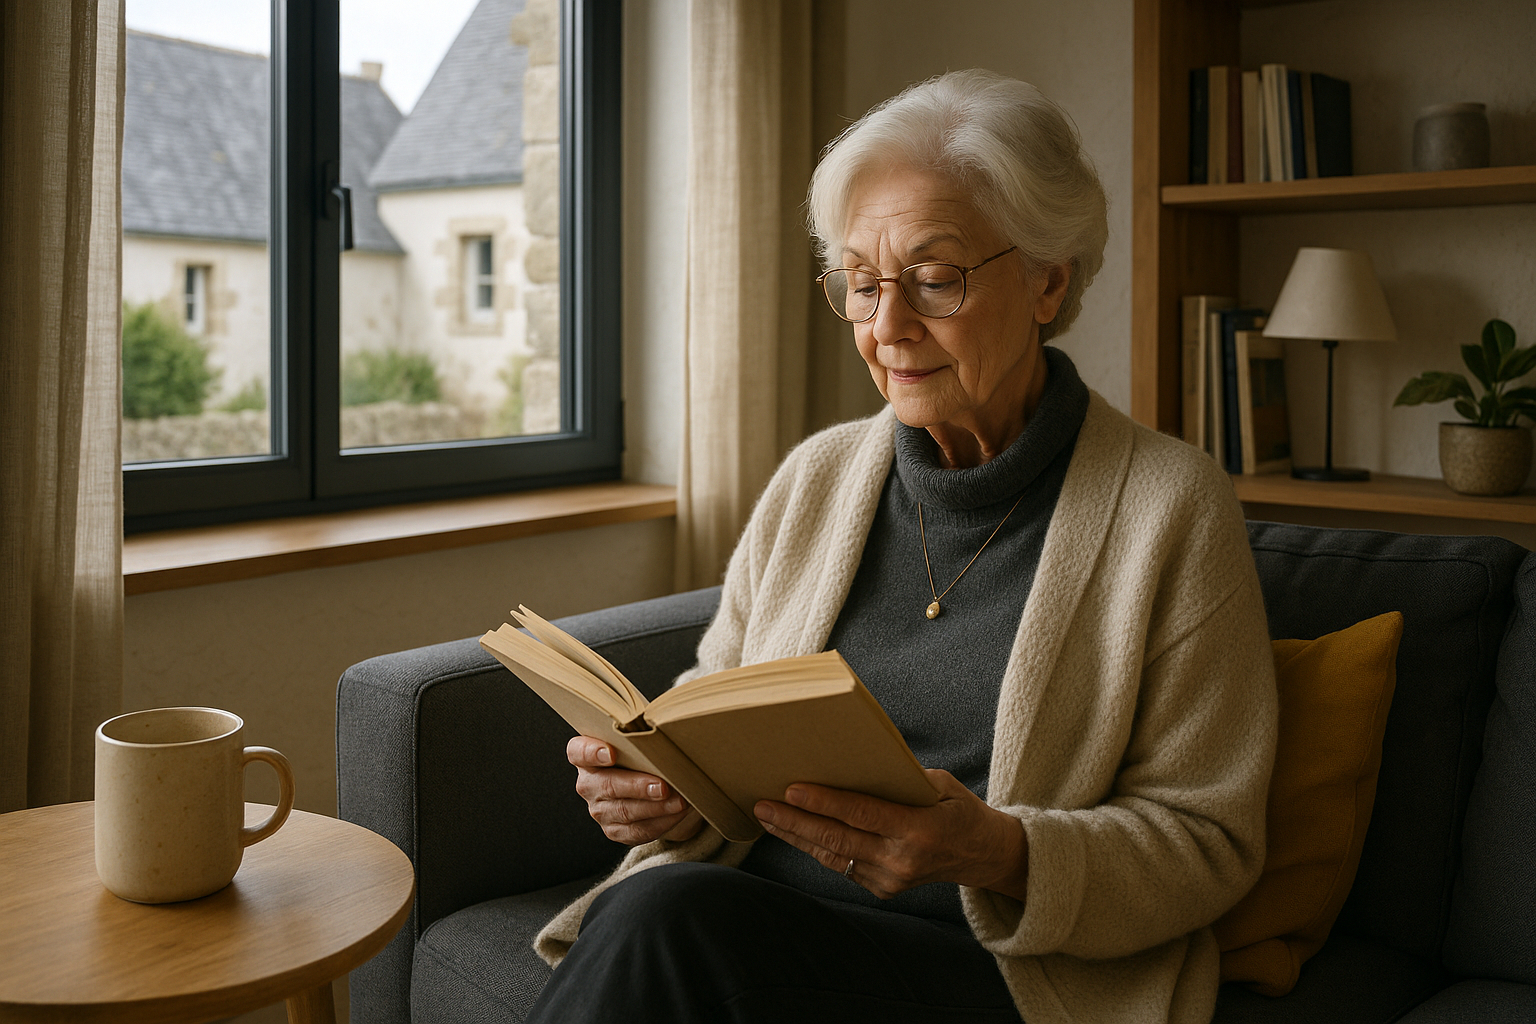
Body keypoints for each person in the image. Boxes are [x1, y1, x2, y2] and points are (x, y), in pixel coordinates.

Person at [525, 69, 1278, 1024]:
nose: (887, 328)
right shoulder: (817, 477)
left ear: (1050, 278)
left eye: (934, 278)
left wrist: (995, 851)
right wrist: (670, 795)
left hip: (995, 970)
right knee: (662, 905)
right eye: (864, 283)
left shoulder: (1171, 508)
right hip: (766, 924)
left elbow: (1207, 844)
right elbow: (714, 714)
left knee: (661, 918)